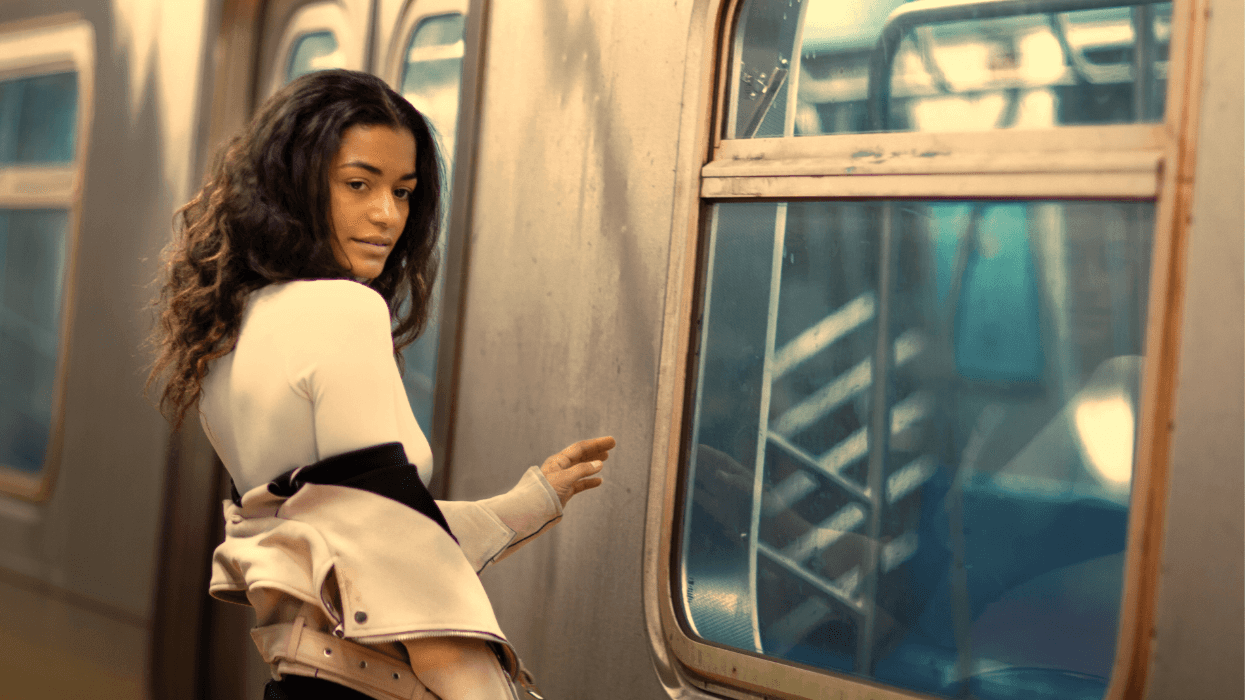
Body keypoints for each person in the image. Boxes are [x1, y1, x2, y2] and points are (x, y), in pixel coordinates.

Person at [147, 69, 614, 700]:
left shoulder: (226, 339)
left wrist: (527, 502)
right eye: (358, 184)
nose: (387, 214)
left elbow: (340, 526)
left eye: (403, 191)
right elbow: (394, 562)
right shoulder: (345, 309)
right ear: (294, 187)